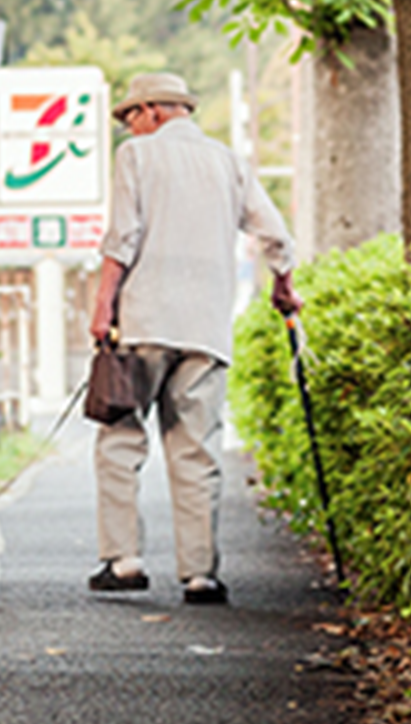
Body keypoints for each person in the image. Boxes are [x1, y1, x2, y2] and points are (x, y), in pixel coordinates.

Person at [86, 70, 298, 606]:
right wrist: (283, 285)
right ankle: (200, 575)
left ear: (155, 110)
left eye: (131, 116)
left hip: (145, 321)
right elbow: (274, 232)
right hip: (205, 329)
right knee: (198, 451)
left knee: (119, 440)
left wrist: (102, 302)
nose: (129, 129)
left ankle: (124, 560)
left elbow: (123, 235)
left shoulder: (137, 158)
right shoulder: (229, 162)